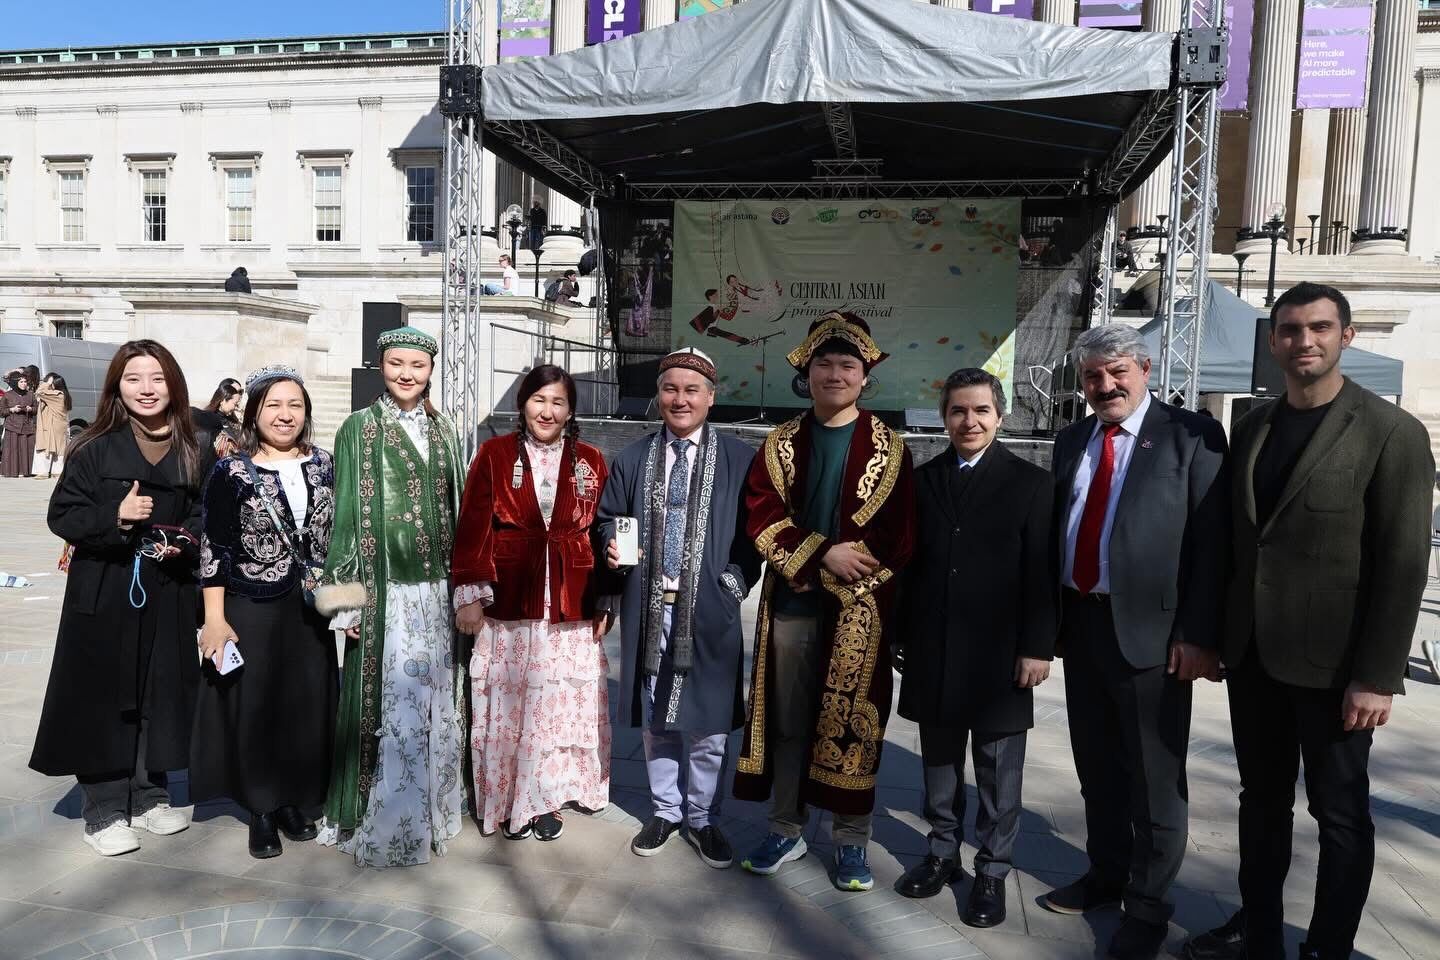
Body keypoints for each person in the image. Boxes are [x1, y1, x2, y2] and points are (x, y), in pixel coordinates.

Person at [1184, 283, 1435, 960]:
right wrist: (1213, 637)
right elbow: (1235, 546)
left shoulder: (1391, 432)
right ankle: (1259, 933)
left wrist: (1377, 676)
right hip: (1254, 659)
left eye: (1320, 328)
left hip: (1337, 668)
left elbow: (1403, 563)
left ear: (1346, 336)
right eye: (1291, 330)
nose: (1305, 341)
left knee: (1340, 815)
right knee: (1260, 803)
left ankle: (1327, 947)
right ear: (1273, 342)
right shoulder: (1252, 427)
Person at [1043, 324, 1229, 960]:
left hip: (1155, 636)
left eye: (1117, 371)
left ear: (1146, 370)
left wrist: (1198, 635)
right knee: (1097, 768)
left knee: (1154, 780)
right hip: (1082, 626)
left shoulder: (1191, 434)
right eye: (1093, 375)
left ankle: (1147, 908)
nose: (1105, 385)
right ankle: (1106, 874)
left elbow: (1213, 545)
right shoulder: (1072, 439)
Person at [734, 312, 915, 892]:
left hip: (861, 612)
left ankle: (851, 840)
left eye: (847, 365)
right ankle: (785, 828)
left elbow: (899, 537)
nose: (835, 374)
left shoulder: (892, 449)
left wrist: (844, 566)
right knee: (788, 723)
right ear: (806, 371)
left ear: (865, 376)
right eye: (824, 364)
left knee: (855, 726)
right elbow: (761, 514)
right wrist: (819, 555)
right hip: (792, 608)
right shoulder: (779, 443)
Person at [894, 368, 1057, 927]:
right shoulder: (922, 480)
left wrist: (1038, 647)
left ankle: (993, 868)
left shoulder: (1031, 483)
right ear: (944, 417)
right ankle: (942, 853)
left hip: (1001, 654)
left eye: (981, 410)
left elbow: (1043, 573)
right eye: (958, 411)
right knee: (939, 762)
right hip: (935, 648)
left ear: (1000, 416)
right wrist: (900, 636)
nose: (970, 421)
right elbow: (908, 566)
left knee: (997, 771)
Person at [29, 340, 202, 856]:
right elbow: (63, 515)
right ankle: (104, 808)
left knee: (158, 691)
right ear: (117, 387)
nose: (146, 389)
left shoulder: (192, 447)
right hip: (105, 589)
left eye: (157, 378)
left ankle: (149, 794)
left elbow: (201, 514)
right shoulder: (94, 446)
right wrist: (117, 517)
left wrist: (184, 542)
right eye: (133, 378)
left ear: (173, 384)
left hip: (167, 589)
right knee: (104, 696)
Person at [596, 348, 762, 867]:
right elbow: (607, 517)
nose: (680, 399)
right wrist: (610, 543)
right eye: (671, 389)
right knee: (657, 718)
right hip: (649, 606)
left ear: (711, 398)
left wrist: (733, 583)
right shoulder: (633, 457)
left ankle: (702, 817)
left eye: (692, 390)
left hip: (710, 609)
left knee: (708, 723)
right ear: (659, 396)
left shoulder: (740, 460)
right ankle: (665, 811)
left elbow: (756, 533)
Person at [313, 326, 467, 867]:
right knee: (391, 701)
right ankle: (385, 814)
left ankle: (434, 810)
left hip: (438, 590)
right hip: (387, 595)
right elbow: (344, 517)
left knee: (435, 699)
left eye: (417, 365)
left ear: (431, 371)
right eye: (397, 363)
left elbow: (459, 508)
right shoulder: (358, 428)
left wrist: (469, 585)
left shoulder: (446, 428)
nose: (407, 373)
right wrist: (345, 600)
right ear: (381, 366)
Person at [450, 365, 613, 841]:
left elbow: (602, 531)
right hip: (510, 600)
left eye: (558, 402)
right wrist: (469, 594)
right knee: (511, 702)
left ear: (571, 411)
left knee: (558, 705)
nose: (547, 411)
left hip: (570, 601)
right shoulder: (494, 453)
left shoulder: (590, 460)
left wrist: (606, 600)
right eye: (539, 400)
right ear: (523, 404)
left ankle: (546, 799)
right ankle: (506, 798)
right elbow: (473, 528)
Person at [191, 365, 339, 860]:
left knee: (304, 703)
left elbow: (340, 539)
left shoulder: (324, 463)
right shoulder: (231, 471)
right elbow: (214, 547)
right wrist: (214, 618)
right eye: (273, 405)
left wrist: (348, 602)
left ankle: (293, 799)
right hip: (252, 604)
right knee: (256, 705)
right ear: (254, 413)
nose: (285, 414)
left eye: (295, 405)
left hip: (310, 610)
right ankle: (260, 806)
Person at [192, 378, 244, 481]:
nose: (237, 407)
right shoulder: (209, 419)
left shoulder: (233, 420)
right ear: (223, 399)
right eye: (235, 404)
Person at [35, 373, 73, 478]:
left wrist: (47, 383)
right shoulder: (64, 395)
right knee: (59, 449)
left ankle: (43, 472)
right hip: (60, 425)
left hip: (52, 425)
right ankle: (57, 472)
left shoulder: (56, 394)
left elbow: (39, 392)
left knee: (46, 447)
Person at [1, 373, 39, 477]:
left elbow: (36, 409)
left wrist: (31, 409)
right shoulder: (7, 395)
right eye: (21, 382)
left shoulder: (30, 395)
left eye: (25, 382)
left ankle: (26, 472)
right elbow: (1, 411)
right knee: (12, 450)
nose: (24, 384)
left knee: (27, 450)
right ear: (15, 383)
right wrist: (11, 409)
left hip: (27, 426)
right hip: (12, 426)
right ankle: (12, 472)